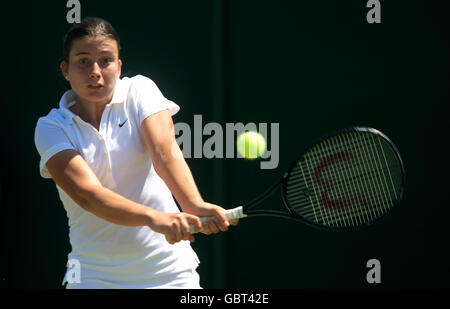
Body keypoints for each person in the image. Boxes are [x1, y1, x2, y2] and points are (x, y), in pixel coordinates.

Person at [34, 17, 236, 289]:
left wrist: (192, 204)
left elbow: (164, 152)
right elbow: (89, 195)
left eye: (105, 60)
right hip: (93, 277)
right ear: (65, 69)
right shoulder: (51, 127)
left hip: (170, 274)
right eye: (83, 61)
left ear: (119, 67)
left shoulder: (140, 90)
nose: (95, 71)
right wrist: (157, 219)